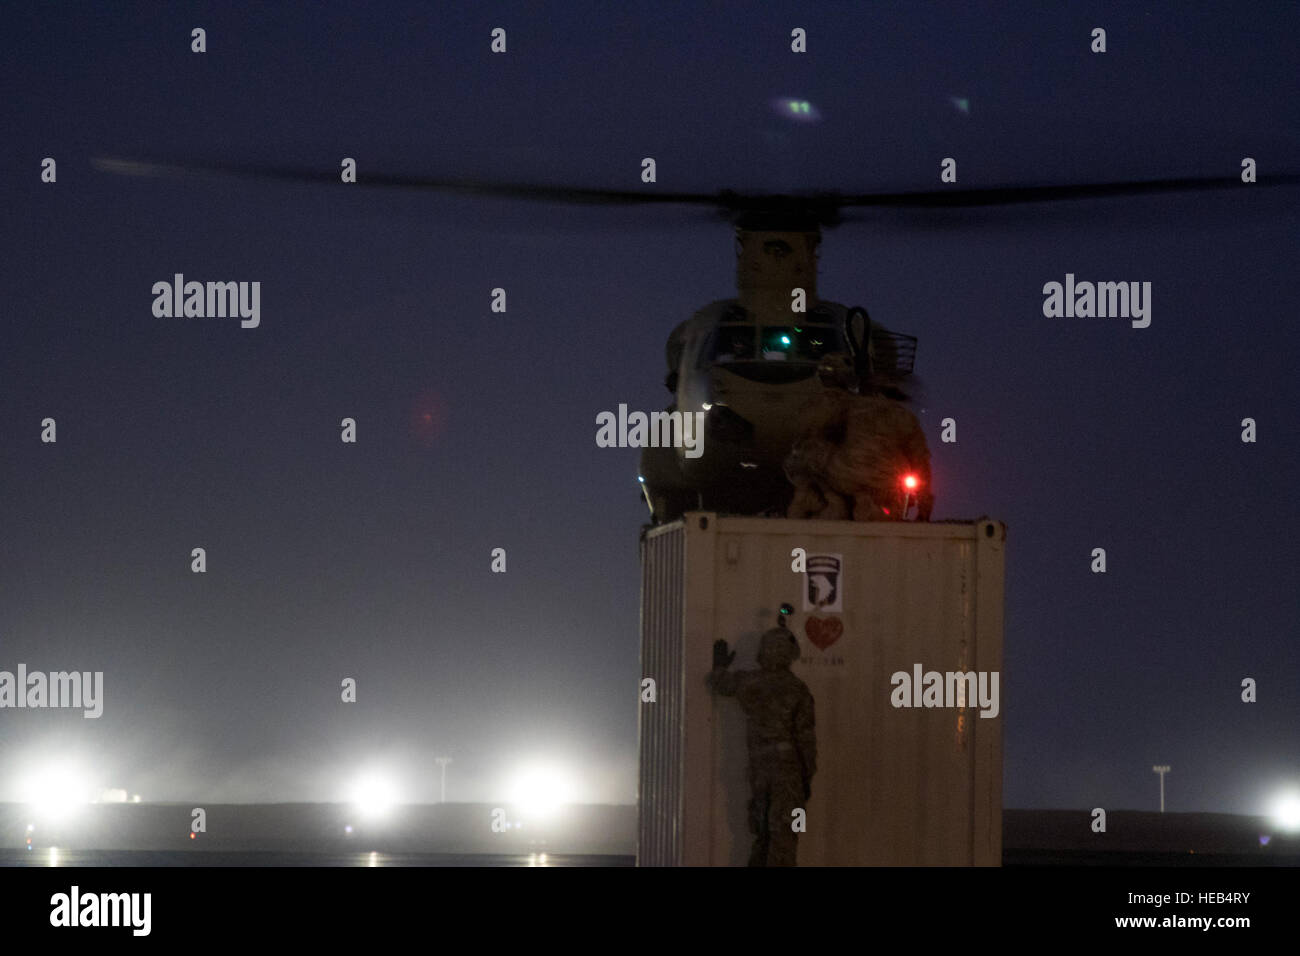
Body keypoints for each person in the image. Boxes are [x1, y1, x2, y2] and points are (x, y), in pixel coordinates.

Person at [708, 626, 817, 866]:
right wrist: (806, 778)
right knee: (784, 839)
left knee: (762, 835)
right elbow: (806, 741)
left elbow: (719, 683)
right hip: (788, 774)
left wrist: (719, 665)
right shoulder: (798, 689)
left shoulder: (750, 682)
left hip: (759, 771)